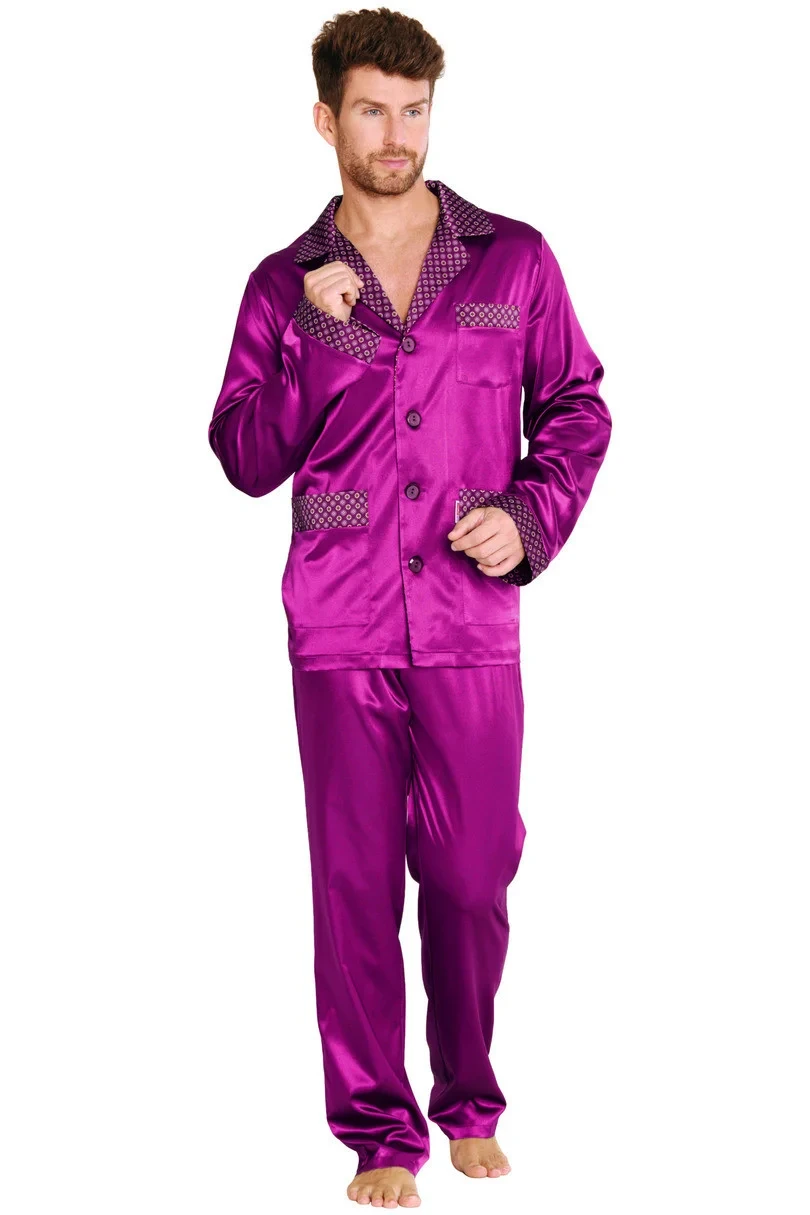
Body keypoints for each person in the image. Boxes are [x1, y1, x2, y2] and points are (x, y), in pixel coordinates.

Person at [208, 7, 611, 1207]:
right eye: (372, 111)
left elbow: (578, 408)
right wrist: (306, 341)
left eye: (415, 109)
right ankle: (382, 1131)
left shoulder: (511, 260)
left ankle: (468, 1095)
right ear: (326, 120)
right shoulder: (283, 285)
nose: (396, 134)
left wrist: (531, 516)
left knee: (476, 874)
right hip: (338, 624)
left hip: (471, 623)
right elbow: (244, 455)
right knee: (355, 887)